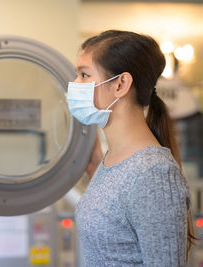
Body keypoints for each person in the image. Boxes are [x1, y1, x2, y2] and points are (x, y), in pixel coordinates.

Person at [67, 30, 196, 266]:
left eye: (84, 75)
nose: (74, 85)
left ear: (121, 84)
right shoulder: (112, 159)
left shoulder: (154, 173)